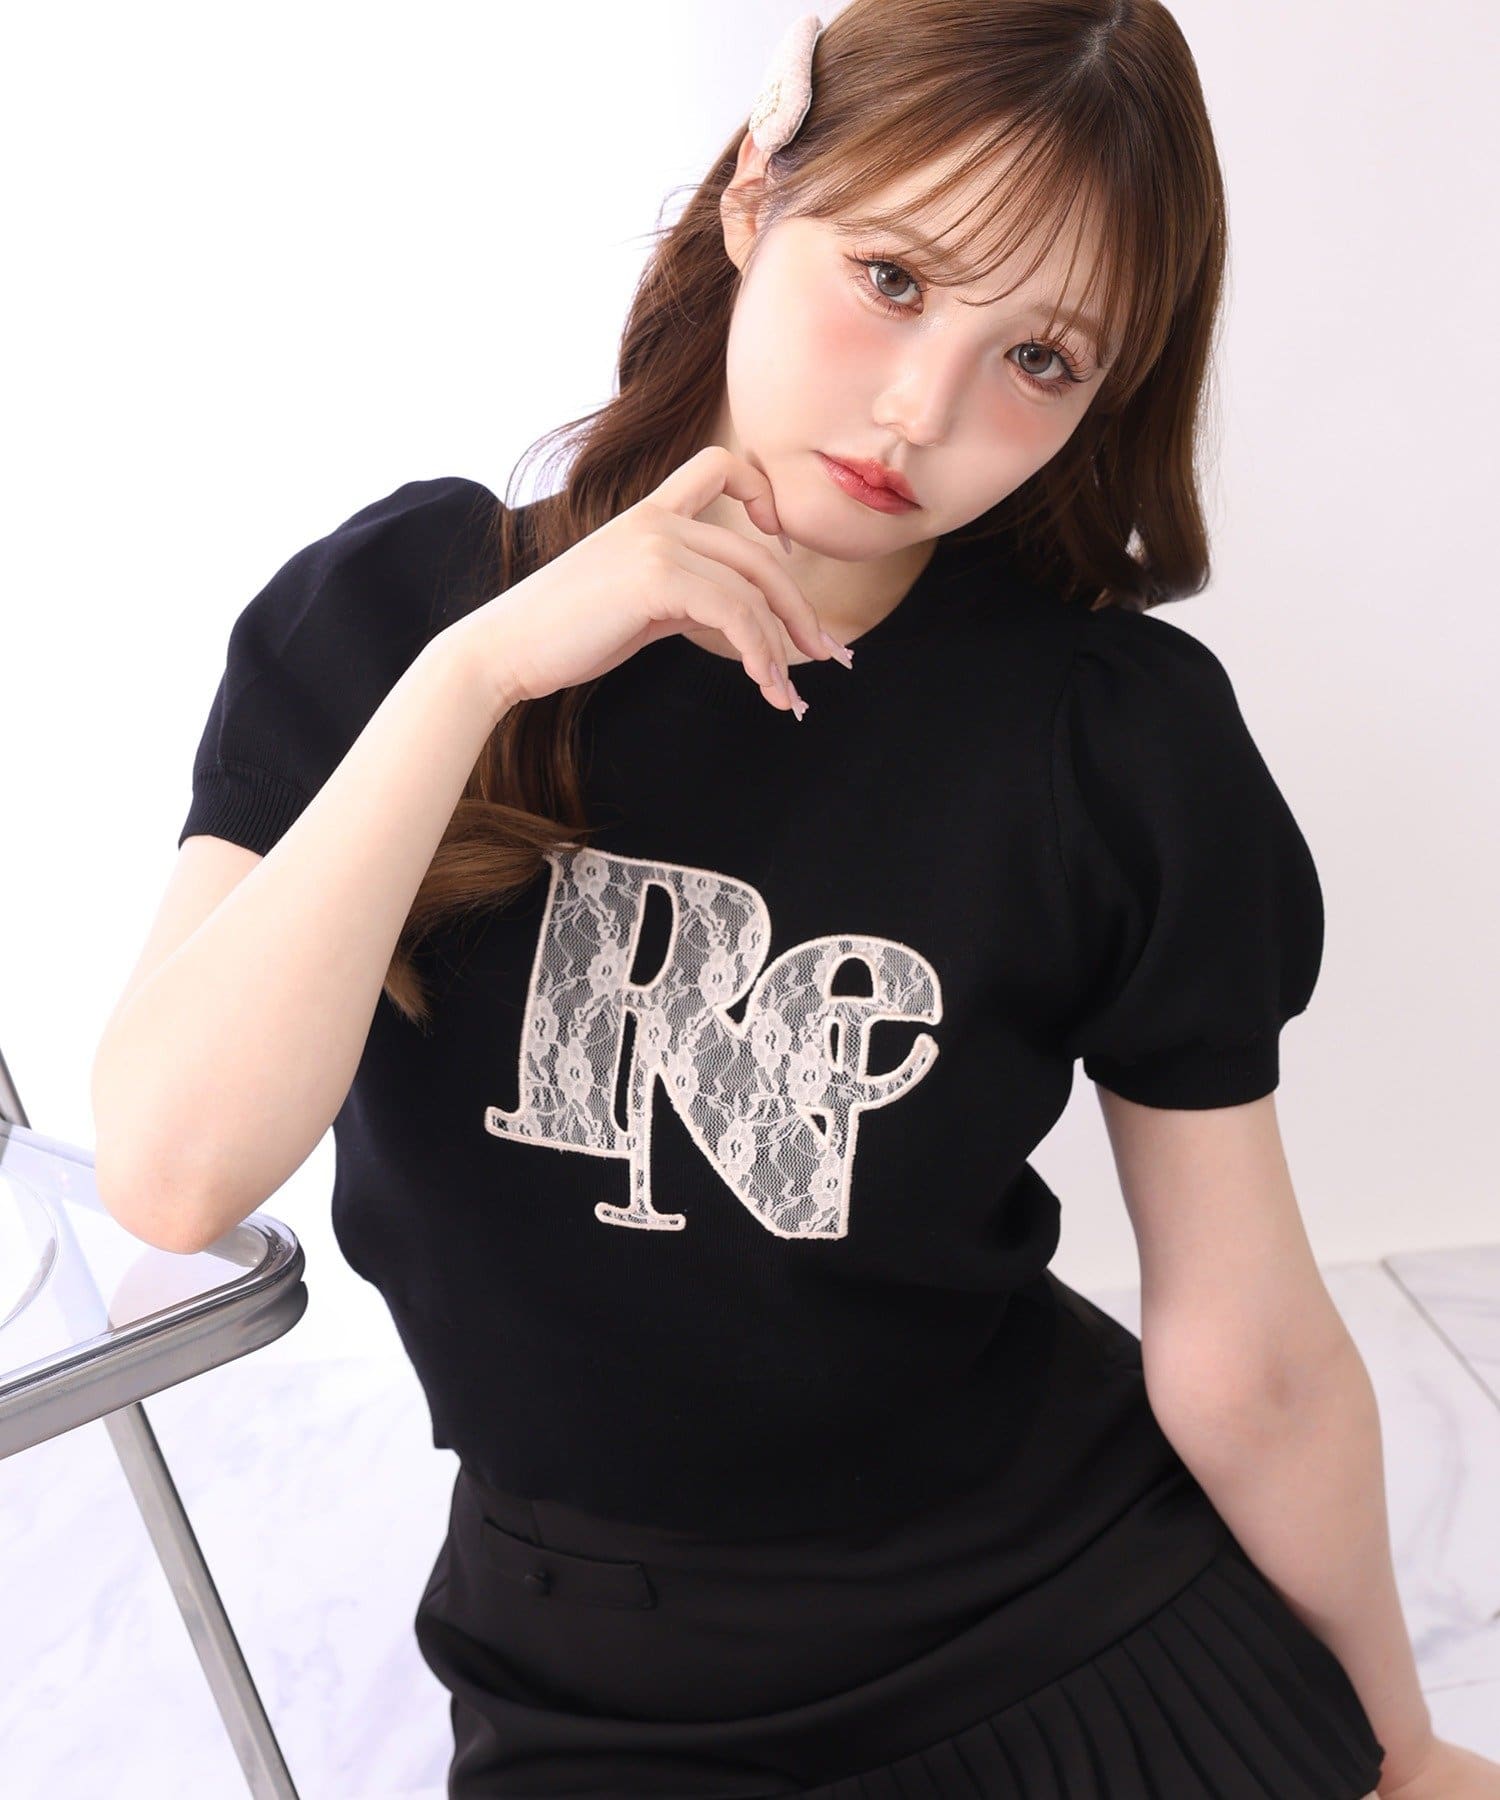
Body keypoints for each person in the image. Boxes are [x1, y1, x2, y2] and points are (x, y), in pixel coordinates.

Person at [90, 2, 1499, 1795]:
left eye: (1040, 358)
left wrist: (1399, 1752)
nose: (923, 412)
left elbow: (1252, 1350)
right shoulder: (395, 617)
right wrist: (478, 673)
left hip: (1061, 1615)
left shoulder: (1112, 741)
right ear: (757, 195)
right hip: (588, 1667)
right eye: (894, 278)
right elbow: (174, 1173)